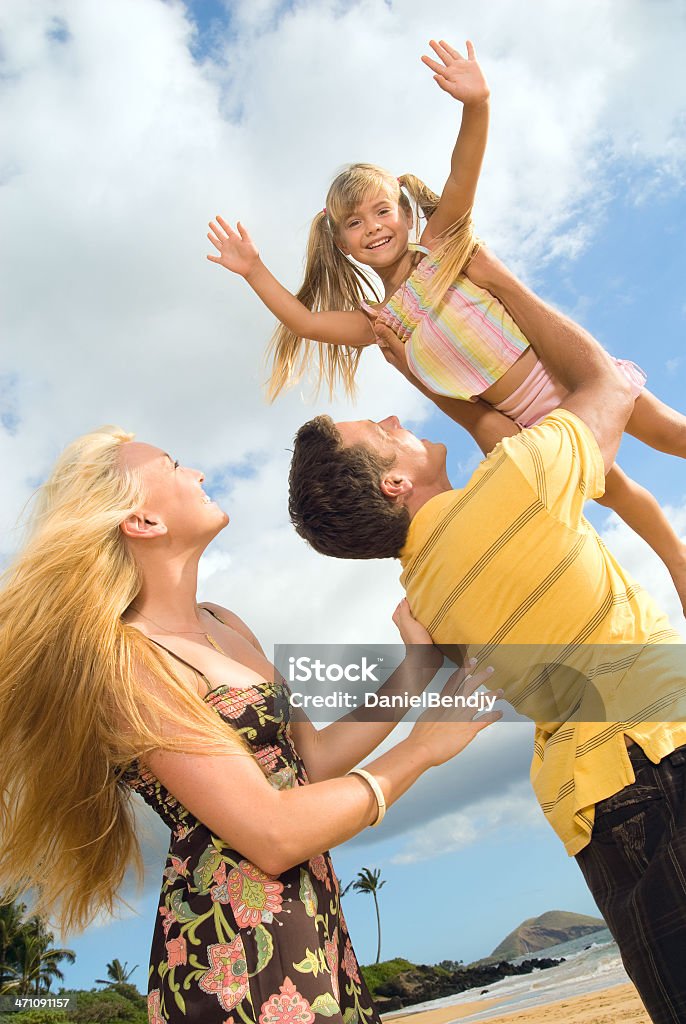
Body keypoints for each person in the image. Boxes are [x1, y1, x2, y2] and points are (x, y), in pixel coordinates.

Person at [287, 246, 686, 1024]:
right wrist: (498, 280)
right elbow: (602, 381)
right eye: (382, 426)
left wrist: (418, 376)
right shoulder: (516, 489)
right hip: (663, 756)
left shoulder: (426, 595)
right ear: (394, 483)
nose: (400, 419)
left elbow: (495, 437)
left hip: (590, 812)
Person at [0, 427, 499, 1024]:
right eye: (175, 464)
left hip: (308, 925)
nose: (198, 474)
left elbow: (307, 763)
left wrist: (417, 671)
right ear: (143, 522)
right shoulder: (126, 662)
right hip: (231, 950)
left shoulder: (223, 621)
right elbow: (271, 833)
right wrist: (423, 748)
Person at [206, 38, 686, 610]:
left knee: (671, 434)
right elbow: (306, 322)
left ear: (408, 214)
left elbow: (463, 172)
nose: (374, 227)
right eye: (355, 223)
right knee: (618, 495)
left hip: (559, 370)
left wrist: (476, 104)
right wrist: (253, 269)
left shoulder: (442, 247)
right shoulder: (383, 323)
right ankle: (679, 565)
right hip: (520, 416)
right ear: (342, 243)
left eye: (383, 211)